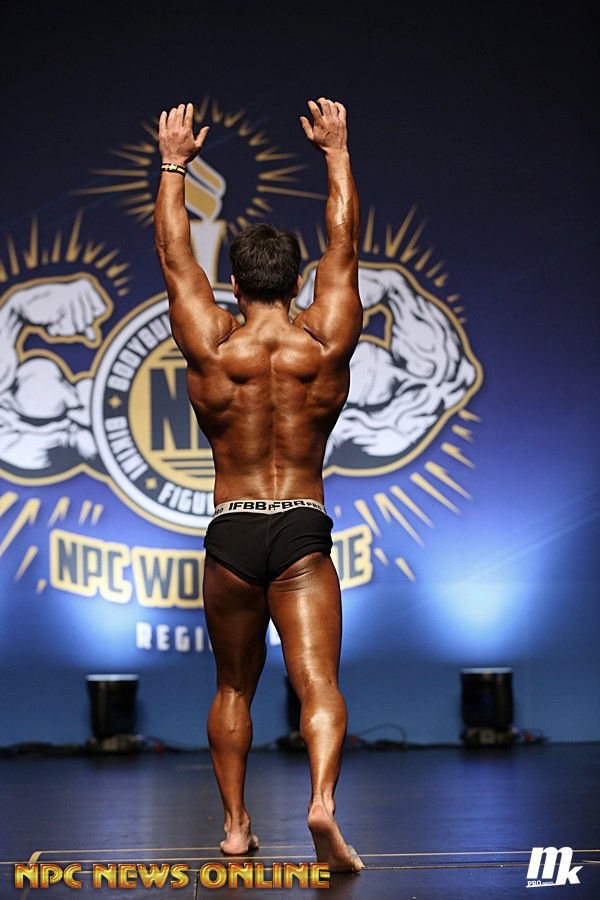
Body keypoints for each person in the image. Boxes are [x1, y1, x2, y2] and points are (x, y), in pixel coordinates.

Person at [154, 98, 363, 873]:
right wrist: (336, 153)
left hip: (233, 527)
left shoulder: (214, 344)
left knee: (233, 688)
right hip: (302, 527)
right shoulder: (324, 338)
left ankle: (237, 826)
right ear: (299, 281)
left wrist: (174, 164)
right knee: (318, 683)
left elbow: (174, 255)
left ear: (234, 283)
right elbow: (344, 243)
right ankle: (322, 803)